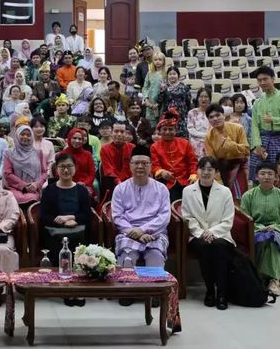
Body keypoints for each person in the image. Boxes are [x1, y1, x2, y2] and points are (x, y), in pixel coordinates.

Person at [112, 145, 171, 306]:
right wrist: (134, 231)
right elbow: (117, 216)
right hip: (128, 231)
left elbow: (164, 216)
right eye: (136, 163)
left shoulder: (161, 189)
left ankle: (154, 293)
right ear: (130, 165)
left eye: (144, 163)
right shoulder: (120, 189)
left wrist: (144, 230)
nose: (140, 166)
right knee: (127, 254)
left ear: (151, 166)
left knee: (155, 254)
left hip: (155, 232)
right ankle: (127, 291)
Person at [181, 156, 236, 310]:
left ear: (216, 172)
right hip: (197, 235)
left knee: (219, 247)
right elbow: (187, 217)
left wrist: (211, 232)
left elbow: (228, 220)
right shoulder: (187, 191)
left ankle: (222, 294)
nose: (205, 172)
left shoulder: (225, 191)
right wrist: (202, 233)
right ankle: (210, 290)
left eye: (210, 169)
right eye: (202, 168)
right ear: (197, 170)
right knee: (204, 246)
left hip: (221, 234)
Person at [40, 153, 91, 306]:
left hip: (78, 230)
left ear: (75, 168)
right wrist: (60, 221)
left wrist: (71, 218)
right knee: (61, 247)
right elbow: (44, 216)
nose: (66, 170)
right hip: (55, 232)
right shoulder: (49, 190)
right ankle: (66, 288)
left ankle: (79, 288)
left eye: (69, 166)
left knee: (82, 248)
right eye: (62, 167)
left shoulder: (81, 190)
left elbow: (87, 215)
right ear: (56, 169)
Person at [240, 162, 280, 296]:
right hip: (255, 230)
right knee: (262, 239)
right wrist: (260, 228)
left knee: (272, 240)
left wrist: (275, 227)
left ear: (276, 177)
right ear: (256, 176)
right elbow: (245, 219)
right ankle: (266, 279)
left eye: (270, 174)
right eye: (263, 174)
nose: (266, 177)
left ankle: (273, 280)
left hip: (277, 230)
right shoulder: (248, 196)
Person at [249, 66, 280, 178]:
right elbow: (254, 126)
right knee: (258, 175)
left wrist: (274, 120)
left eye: (265, 79)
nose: (262, 82)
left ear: (273, 79)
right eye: (259, 80)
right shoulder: (257, 102)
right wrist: (257, 145)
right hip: (262, 141)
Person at [204, 104, 250, 199]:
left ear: (224, 115)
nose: (215, 119)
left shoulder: (238, 128)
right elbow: (212, 160)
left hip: (239, 166)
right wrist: (218, 180)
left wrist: (229, 144)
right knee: (223, 198)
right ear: (208, 120)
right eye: (211, 117)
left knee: (239, 198)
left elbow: (246, 150)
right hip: (221, 169)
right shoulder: (209, 136)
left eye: (218, 115)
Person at [151, 109, 197, 202]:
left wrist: (193, 174)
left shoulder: (185, 143)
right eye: (165, 129)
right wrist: (161, 172)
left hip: (186, 180)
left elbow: (193, 162)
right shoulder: (154, 146)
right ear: (160, 131)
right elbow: (155, 165)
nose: (168, 132)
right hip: (166, 182)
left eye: (170, 129)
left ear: (175, 130)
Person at [3, 124, 48, 208]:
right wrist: (24, 185)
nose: (25, 137)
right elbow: (7, 173)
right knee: (14, 198)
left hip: (34, 189)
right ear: (17, 135)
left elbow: (44, 172)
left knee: (33, 198)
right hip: (14, 188)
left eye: (28, 135)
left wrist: (36, 184)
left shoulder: (38, 152)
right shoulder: (9, 153)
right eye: (22, 134)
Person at [58, 128, 97, 202]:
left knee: (85, 194)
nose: (77, 141)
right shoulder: (63, 154)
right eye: (74, 138)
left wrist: (84, 183)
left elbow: (92, 173)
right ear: (69, 138)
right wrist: (70, 183)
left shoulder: (87, 154)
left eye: (80, 139)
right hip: (66, 183)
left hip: (84, 185)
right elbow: (58, 173)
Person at [99, 121, 135, 200]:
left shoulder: (133, 148)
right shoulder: (105, 149)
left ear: (126, 134)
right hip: (112, 181)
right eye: (116, 131)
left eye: (122, 132)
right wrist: (118, 182)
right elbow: (108, 170)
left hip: (130, 181)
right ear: (111, 133)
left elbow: (132, 169)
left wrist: (125, 183)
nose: (119, 134)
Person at [158, 67, 191, 138]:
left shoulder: (184, 87)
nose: (172, 76)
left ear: (178, 75)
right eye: (170, 74)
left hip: (182, 118)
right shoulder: (164, 87)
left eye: (174, 74)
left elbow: (188, 103)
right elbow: (159, 101)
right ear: (167, 76)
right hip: (168, 117)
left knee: (182, 139)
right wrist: (162, 91)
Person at [141, 51, 165, 128]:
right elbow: (145, 87)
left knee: (162, 123)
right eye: (155, 60)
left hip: (162, 103)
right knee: (151, 126)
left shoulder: (166, 74)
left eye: (160, 59)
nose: (157, 61)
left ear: (163, 61)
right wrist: (146, 99)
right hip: (150, 103)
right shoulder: (149, 73)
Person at [187, 88, 212, 158]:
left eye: (206, 97)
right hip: (195, 142)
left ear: (210, 99)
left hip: (210, 141)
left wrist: (207, 137)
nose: (203, 99)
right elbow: (191, 129)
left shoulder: (213, 112)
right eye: (201, 97)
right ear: (198, 98)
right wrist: (204, 136)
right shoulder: (192, 112)